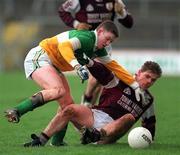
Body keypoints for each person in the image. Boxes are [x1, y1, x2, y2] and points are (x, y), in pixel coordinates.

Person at [5, 20, 142, 146]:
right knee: (58, 90)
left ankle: (56, 143)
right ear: (99, 32)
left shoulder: (98, 48)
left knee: (67, 105)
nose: (107, 43)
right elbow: (65, 47)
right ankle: (17, 111)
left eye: (111, 41)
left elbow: (114, 66)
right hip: (40, 56)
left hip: (52, 65)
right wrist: (77, 66)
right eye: (107, 39)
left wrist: (135, 84)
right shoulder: (87, 38)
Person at [23, 60, 162, 147]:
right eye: (147, 76)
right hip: (95, 116)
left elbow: (149, 124)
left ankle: (95, 135)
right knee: (67, 109)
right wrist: (89, 62)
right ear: (138, 73)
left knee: (129, 118)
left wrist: (149, 139)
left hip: (110, 132)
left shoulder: (148, 99)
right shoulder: (121, 79)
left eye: (153, 80)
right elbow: (102, 73)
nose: (149, 81)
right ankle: (40, 141)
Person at [58, 0, 134, 107]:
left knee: (100, 80)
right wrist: (77, 24)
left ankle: (88, 108)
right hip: (84, 41)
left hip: (103, 45)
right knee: (95, 78)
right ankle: (86, 99)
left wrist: (122, 13)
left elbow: (129, 23)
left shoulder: (115, 1)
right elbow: (62, 10)